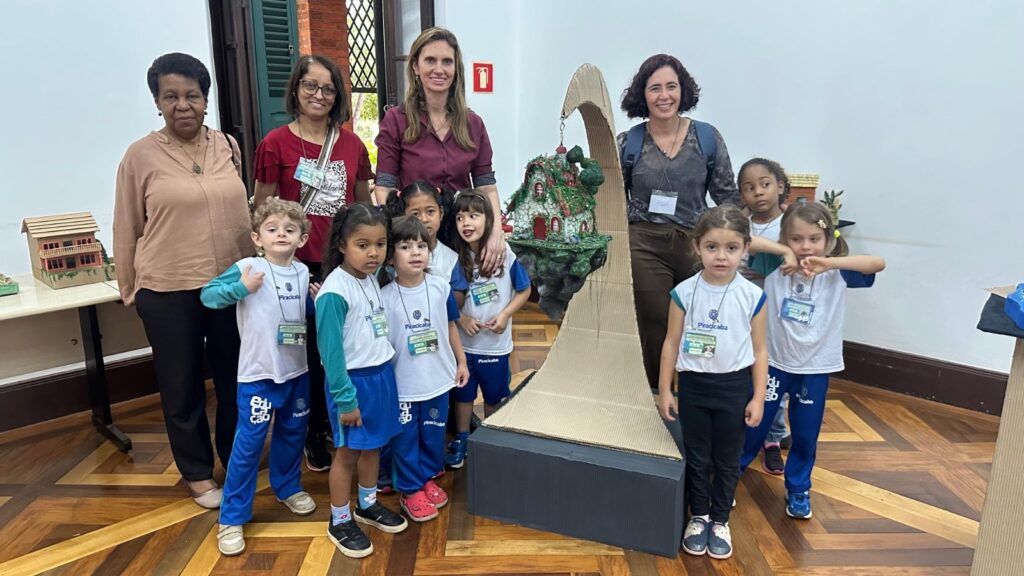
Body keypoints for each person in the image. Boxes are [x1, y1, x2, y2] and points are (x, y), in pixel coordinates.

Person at [114, 52, 250, 508]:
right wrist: (128, 285)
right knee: (182, 383)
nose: (183, 105)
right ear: (157, 101)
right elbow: (126, 224)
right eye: (170, 96)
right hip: (168, 288)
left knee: (235, 378)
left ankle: (235, 456)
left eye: (192, 95)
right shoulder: (140, 156)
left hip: (230, 285)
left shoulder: (227, 145)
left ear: (206, 99)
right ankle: (195, 470)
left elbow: (245, 211)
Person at [253, 54, 374, 472]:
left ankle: (337, 424)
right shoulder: (275, 144)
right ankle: (310, 432)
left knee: (338, 351)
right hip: (293, 269)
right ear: (296, 89)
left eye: (328, 88)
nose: (319, 95)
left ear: (338, 94)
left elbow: (362, 205)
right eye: (310, 86)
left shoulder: (352, 145)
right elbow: (262, 207)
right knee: (301, 353)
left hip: (340, 268)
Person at [740, 202, 885, 519]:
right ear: (785, 238)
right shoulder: (776, 263)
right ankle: (730, 475)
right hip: (775, 363)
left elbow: (878, 263)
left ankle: (798, 489)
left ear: (828, 239)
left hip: (816, 368)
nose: (806, 246)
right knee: (753, 425)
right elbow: (743, 240)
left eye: (814, 239)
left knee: (805, 435)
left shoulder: (839, 272)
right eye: (796, 239)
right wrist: (784, 253)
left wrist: (830, 262)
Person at [200, 198, 317, 556]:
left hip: (296, 372)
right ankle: (232, 517)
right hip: (258, 376)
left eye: (290, 229)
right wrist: (241, 288)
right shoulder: (248, 266)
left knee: (292, 435)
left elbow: (300, 314)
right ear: (257, 237)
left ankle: (286, 486)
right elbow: (208, 296)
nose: (281, 234)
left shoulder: (301, 271)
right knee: (248, 446)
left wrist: (317, 299)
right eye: (272, 229)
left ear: (302, 238)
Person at [619, 53, 740, 391]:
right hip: (643, 242)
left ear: (682, 91)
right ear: (642, 95)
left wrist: (733, 246)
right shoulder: (629, 142)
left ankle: (695, 392)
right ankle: (656, 395)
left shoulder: (707, 138)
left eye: (671, 86)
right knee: (656, 320)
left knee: (698, 319)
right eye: (654, 88)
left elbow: (727, 197)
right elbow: (612, 199)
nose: (664, 95)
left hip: (696, 244)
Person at [657, 205, 768, 560]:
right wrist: (665, 390)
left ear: (745, 248)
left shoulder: (752, 297)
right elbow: (671, 343)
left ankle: (720, 519)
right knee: (698, 456)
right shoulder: (684, 293)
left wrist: (759, 398)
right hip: (694, 387)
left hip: (734, 388)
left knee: (727, 458)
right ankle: (699, 515)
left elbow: (761, 349)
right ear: (697, 247)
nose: (721, 256)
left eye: (731, 248)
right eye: (712, 247)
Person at [373, 27, 506, 274]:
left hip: (463, 234)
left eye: (447, 62)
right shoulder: (396, 120)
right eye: (430, 60)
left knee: (463, 303)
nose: (439, 69)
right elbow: (385, 186)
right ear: (415, 66)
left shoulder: (473, 124)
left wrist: (495, 231)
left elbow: (486, 185)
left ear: (456, 70)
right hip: (417, 236)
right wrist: (400, 238)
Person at [315, 204, 408, 558]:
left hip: (381, 376)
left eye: (381, 244)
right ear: (341, 245)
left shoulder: (370, 278)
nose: (374, 253)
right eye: (363, 244)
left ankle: (366, 504)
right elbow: (331, 354)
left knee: (374, 446)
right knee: (347, 453)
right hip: (352, 385)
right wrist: (345, 399)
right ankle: (339, 519)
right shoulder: (334, 293)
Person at [380, 216, 470, 521]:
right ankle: (409, 488)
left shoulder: (440, 288)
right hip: (403, 384)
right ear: (391, 256)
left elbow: (450, 327)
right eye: (406, 246)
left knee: (432, 434)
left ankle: (427, 476)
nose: (416, 252)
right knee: (405, 438)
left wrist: (461, 361)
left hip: (437, 379)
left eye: (421, 245)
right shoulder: (385, 297)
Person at [446, 191, 531, 469]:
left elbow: (524, 289)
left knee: (494, 396)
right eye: (460, 217)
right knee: (463, 396)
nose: (466, 223)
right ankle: (461, 438)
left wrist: (506, 314)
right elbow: (449, 301)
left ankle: (491, 436)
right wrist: (461, 319)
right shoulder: (456, 258)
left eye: (474, 215)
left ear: (489, 219)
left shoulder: (505, 254)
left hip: (495, 346)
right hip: (464, 347)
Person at [738, 157, 793, 474]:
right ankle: (746, 429)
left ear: (780, 186)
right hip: (741, 309)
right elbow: (741, 246)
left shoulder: (790, 223)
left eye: (765, 184)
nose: (758, 192)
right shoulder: (739, 223)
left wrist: (783, 250)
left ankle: (772, 439)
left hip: (775, 311)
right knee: (745, 372)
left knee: (774, 376)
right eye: (749, 188)